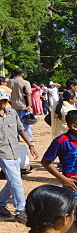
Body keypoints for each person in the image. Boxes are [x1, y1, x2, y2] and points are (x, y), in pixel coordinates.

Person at [41, 110, 77, 202]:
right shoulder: (61, 141)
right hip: (75, 189)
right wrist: (64, 179)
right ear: (74, 126)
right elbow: (45, 162)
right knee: (75, 214)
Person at [0, 89, 38, 222]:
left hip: (14, 151)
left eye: (4, 101)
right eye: (0, 101)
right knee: (16, 182)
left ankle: (0, 202)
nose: (2, 104)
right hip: (2, 153)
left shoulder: (12, 113)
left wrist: (30, 145)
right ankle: (20, 210)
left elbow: (20, 129)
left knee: (14, 179)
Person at [8, 68, 33, 141]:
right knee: (26, 122)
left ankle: (16, 137)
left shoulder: (9, 82)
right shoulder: (25, 82)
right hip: (23, 105)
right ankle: (28, 138)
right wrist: (29, 105)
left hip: (12, 104)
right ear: (22, 74)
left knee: (14, 122)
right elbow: (28, 94)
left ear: (13, 73)